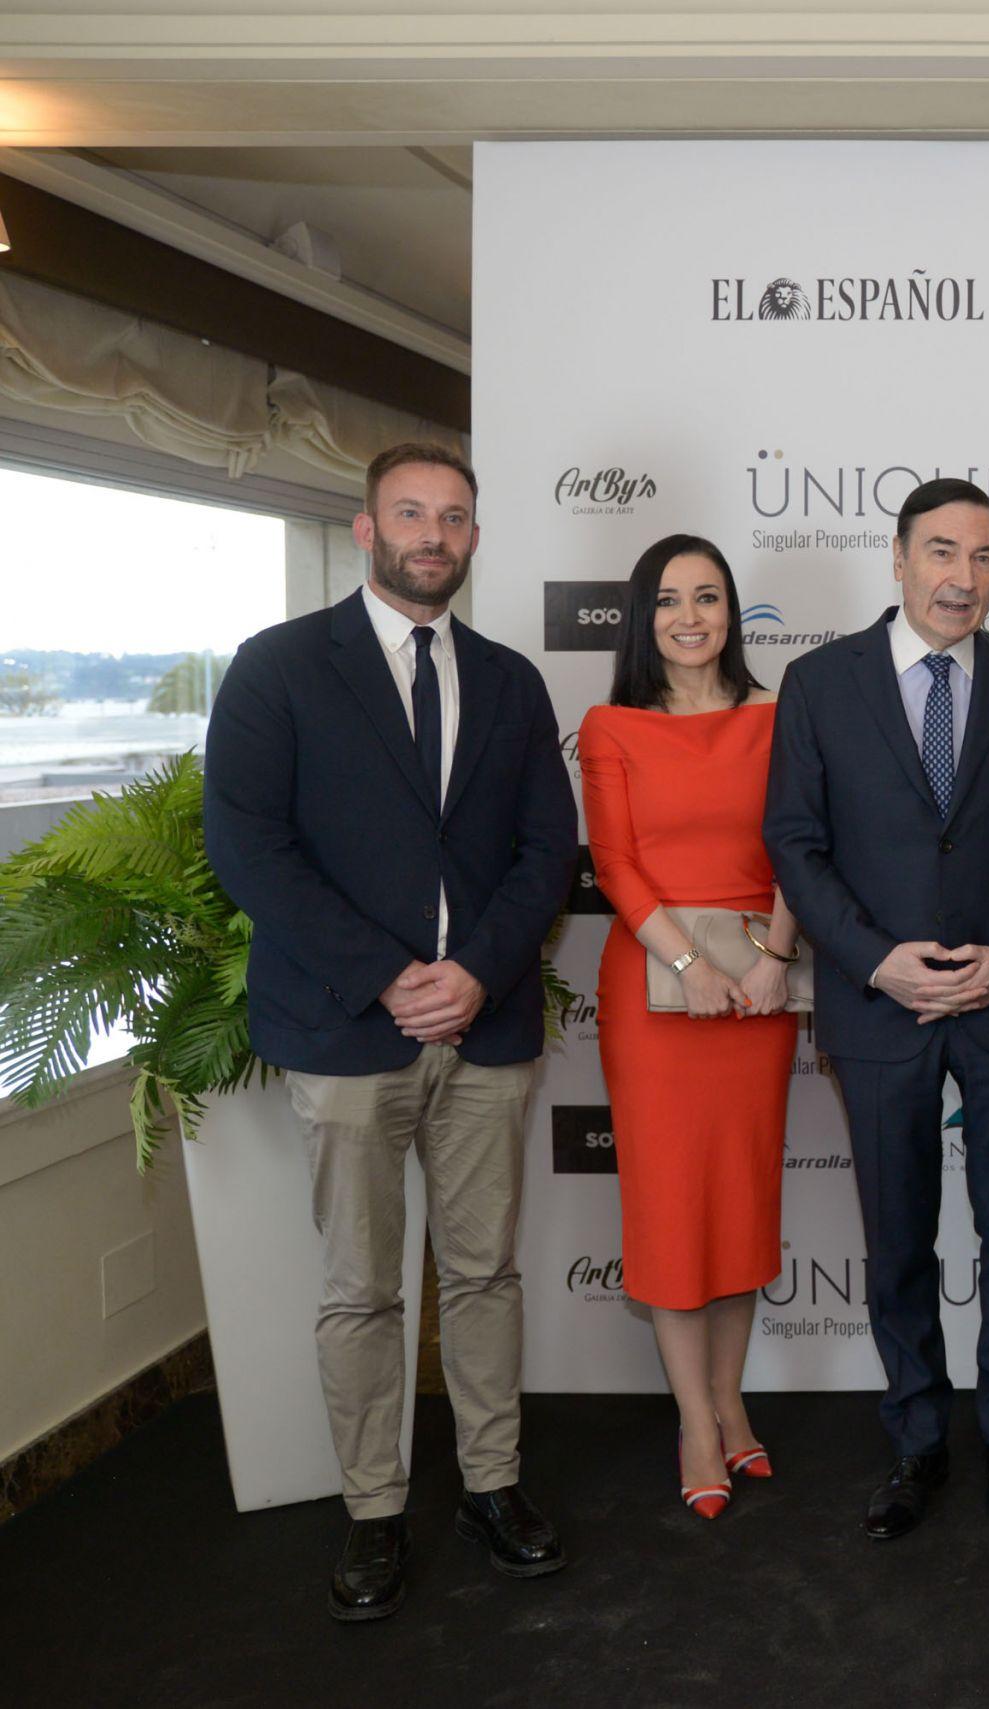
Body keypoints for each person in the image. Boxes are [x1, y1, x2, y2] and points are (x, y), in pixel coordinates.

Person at [203, 441, 578, 1621]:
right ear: (366, 530)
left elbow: (543, 851)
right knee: (362, 1286)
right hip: (345, 1028)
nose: (435, 533)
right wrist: (390, 975)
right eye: (411, 513)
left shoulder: (512, 680)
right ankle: (373, 1506)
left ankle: (491, 1482)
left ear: (474, 536)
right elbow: (250, 844)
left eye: (455, 516)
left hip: (486, 1023)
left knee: (482, 1272)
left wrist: (473, 970)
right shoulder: (277, 668)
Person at [764, 479, 989, 1540]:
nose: (960, 577)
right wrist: (875, 960)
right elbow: (794, 841)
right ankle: (916, 1437)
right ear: (896, 557)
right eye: (941, 551)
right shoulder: (817, 681)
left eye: (983, 557)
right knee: (897, 1236)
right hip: (876, 1003)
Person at [577, 534, 798, 1521]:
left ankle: (729, 1393)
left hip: (761, 988)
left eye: (709, 596)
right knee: (670, 1206)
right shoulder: (611, 724)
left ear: (731, 610)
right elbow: (617, 867)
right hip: (657, 992)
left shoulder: (779, 717)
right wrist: (688, 963)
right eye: (669, 599)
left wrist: (772, 960)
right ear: (642, 616)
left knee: (741, 1199)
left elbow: (803, 845)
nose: (691, 615)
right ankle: (695, 1421)